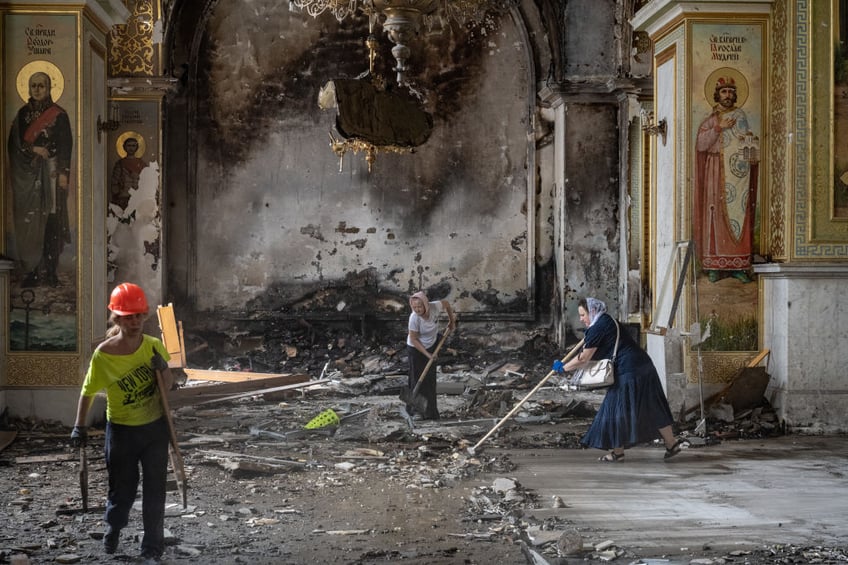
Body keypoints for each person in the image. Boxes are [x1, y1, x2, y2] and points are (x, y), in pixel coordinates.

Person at [69, 283, 173, 561]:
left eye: (139, 315)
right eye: (128, 317)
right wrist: (79, 426)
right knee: (122, 490)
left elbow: (169, 385)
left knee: (155, 491)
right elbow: (88, 391)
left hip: (154, 429)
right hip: (122, 433)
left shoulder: (153, 347)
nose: (135, 321)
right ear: (117, 318)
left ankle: (152, 547)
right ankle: (114, 526)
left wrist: (163, 368)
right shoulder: (104, 354)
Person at [556, 297, 686, 462]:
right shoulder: (608, 320)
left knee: (614, 409)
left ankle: (617, 453)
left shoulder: (597, 328)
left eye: (583, 315)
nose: (581, 319)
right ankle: (671, 444)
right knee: (652, 405)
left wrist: (563, 367)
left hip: (628, 370)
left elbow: (584, 358)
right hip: (643, 365)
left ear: (592, 312)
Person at [7, 71, 73, 287]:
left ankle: (51, 270)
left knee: (51, 220)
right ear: (28, 88)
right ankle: (33, 270)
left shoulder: (59, 115)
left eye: (41, 86)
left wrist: (63, 173)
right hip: (29, 176)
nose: (37, 89)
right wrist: (32, 148)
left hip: (52, 174)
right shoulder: (22, 114)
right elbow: (13, 145)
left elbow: (66, 145)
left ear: (49, 88)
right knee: (32, 221)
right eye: (33, 85)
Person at [694, 74, 758, 284]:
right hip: (715, 172)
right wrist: (719, 128)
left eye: (731, 91)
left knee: (739, 215)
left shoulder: (741, 117)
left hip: (738, 177)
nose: (728, 95)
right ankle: (714, 266)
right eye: (724, 91)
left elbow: (747, 143)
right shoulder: (711, 120)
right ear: (717, 94)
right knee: (715, 215)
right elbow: (702, 144)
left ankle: (738, 266)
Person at [406, 291, 457, 420]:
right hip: (416, 349)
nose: (417, 310)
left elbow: (446, 304)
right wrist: (427, 355)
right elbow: (414, 339)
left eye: (420, 307)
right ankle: (415, 411)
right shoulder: (414, 318)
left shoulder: (435, 307)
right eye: (414, 307)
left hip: (432, 345)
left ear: (426, 304)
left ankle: (430, 411)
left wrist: (451, 321)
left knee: (429, 380)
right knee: (417, 379)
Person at [110, 136, 147, 210]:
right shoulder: (120, 163)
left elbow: (146, 180)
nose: (131, 148)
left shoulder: (141, 163)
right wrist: (117, 194)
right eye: (129, 145)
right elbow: (115, 181)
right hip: (124, 197)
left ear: (137, 147)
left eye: (133, 146)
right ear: (124, 147)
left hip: (138, 197)